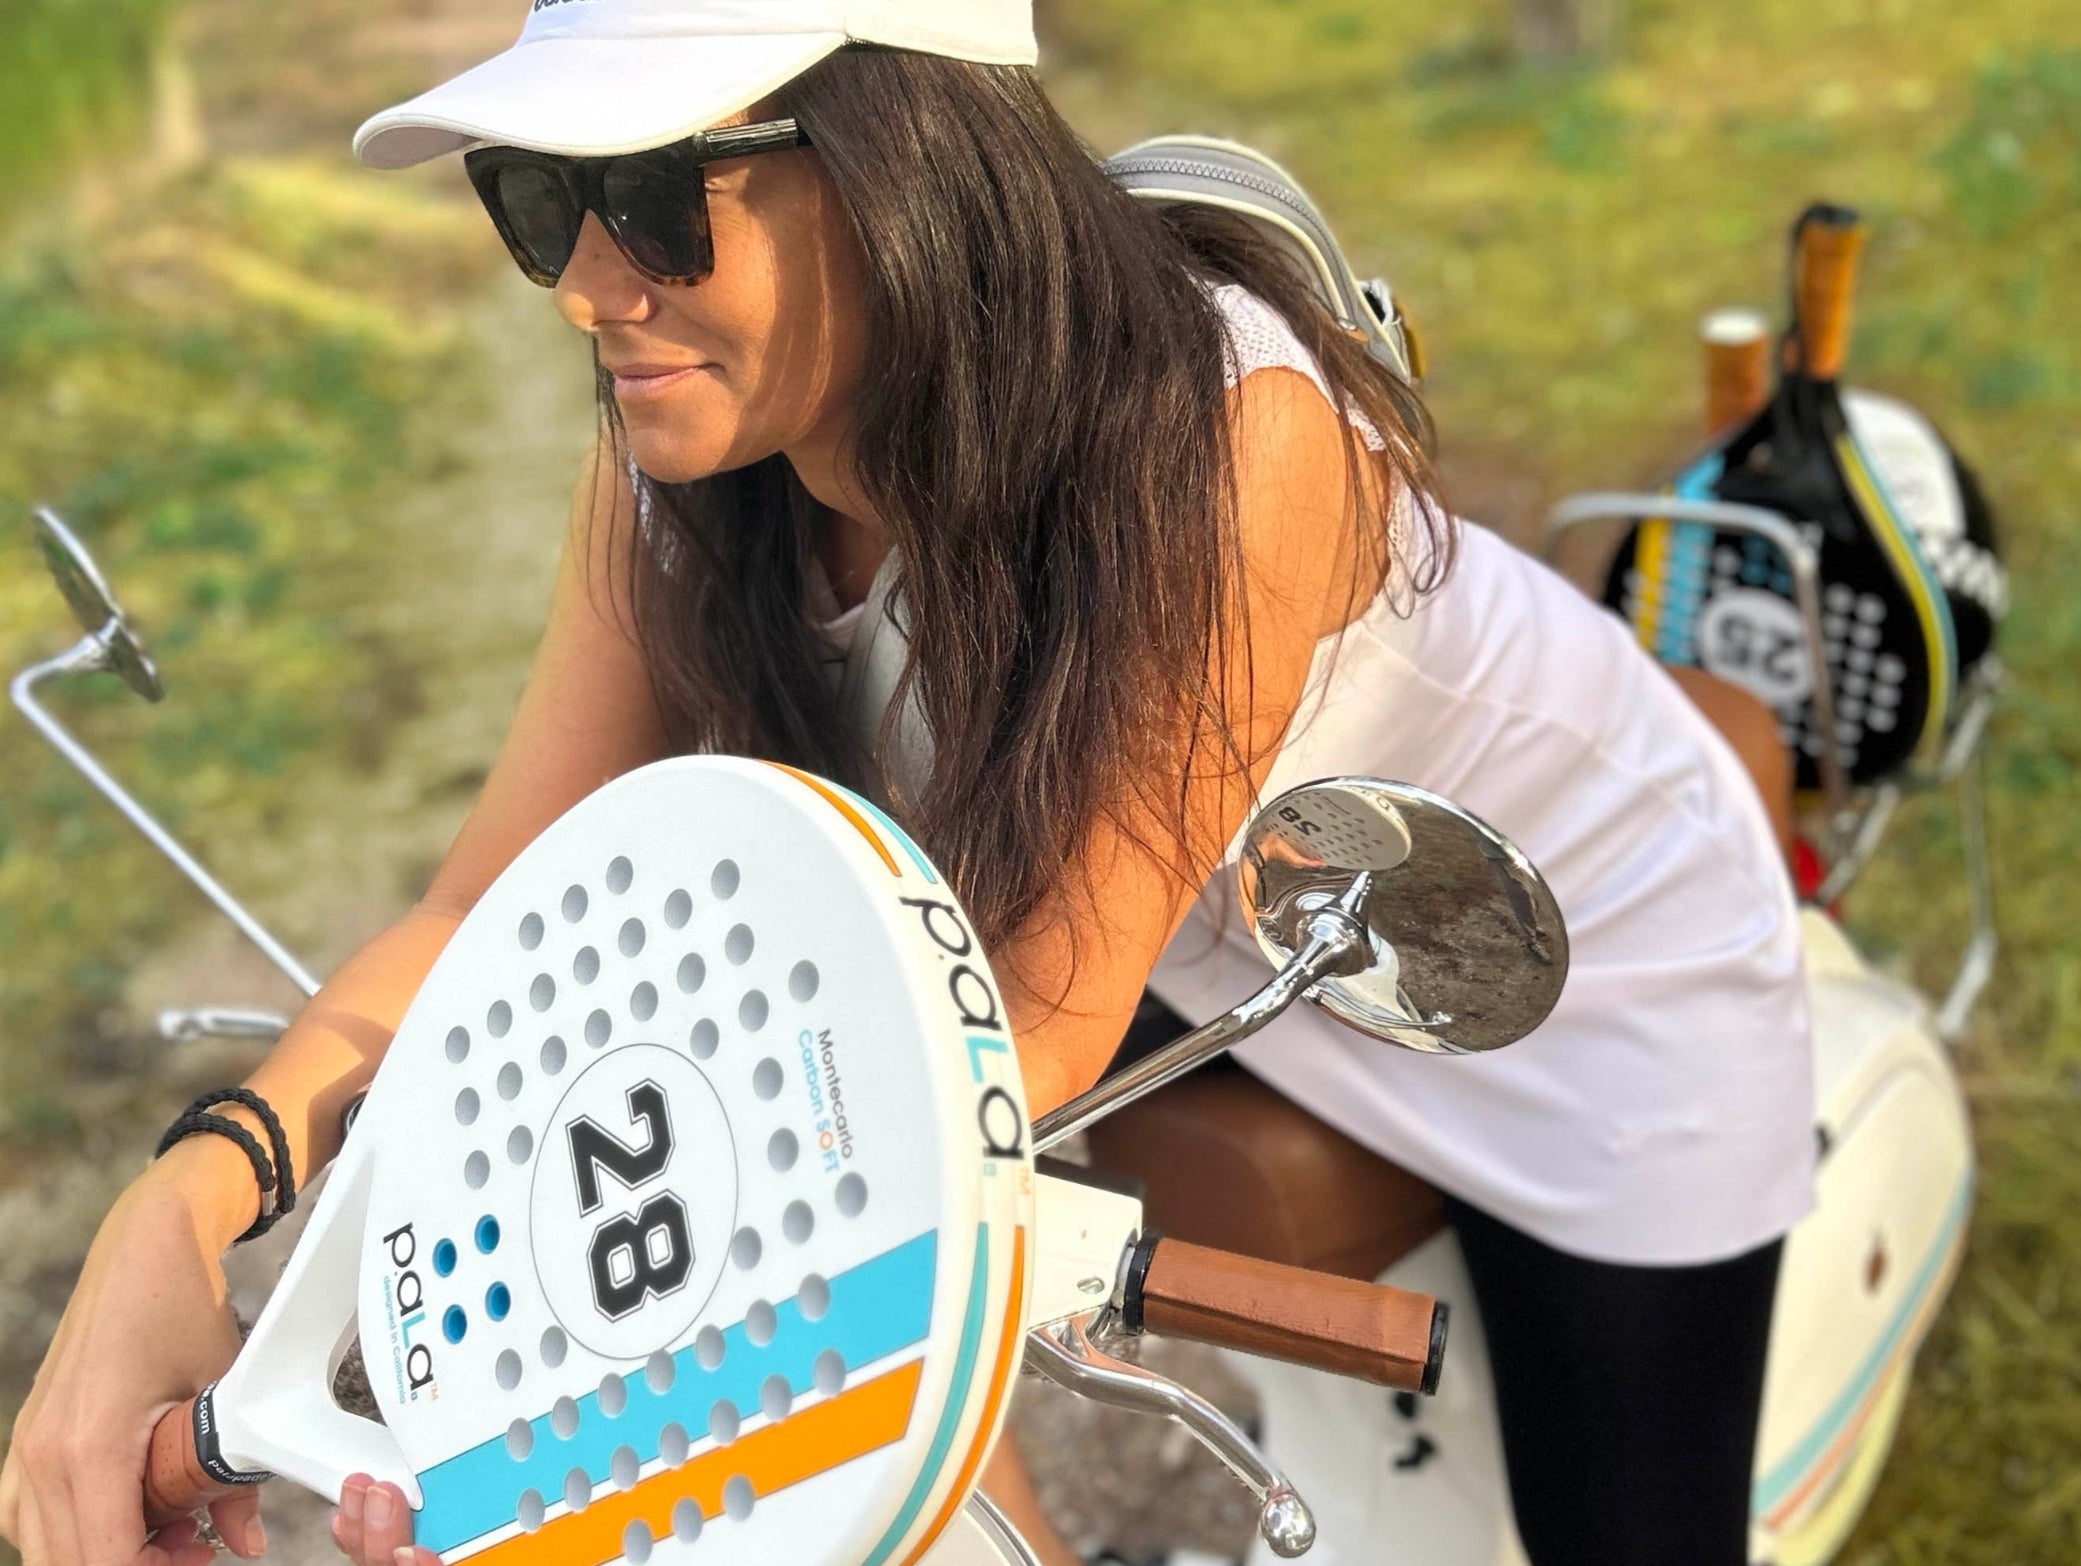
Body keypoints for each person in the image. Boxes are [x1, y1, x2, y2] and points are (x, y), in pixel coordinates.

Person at [0, 3, 1813, 1565]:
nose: (585, 287)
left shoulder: (1221, 438)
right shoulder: (677, 478)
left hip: (1566, 979)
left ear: (910, 159)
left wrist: (533, 1379)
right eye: (533, 197)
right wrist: (182, 1208)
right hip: (1211, 946)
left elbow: (998, 1041)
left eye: (643, 195)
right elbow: (483, 907)